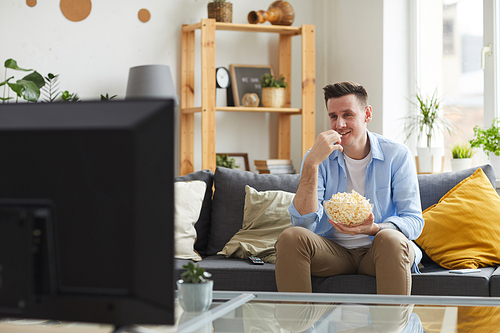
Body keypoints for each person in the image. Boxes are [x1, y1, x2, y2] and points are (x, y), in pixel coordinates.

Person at [275, 81, 424, 295]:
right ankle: (299, 326)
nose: (339, 124)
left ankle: (392, 327)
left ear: (367, 114)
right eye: (333, 116)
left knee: (390, 239)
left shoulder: (397, 155)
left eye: (348, 115)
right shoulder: (317, 156)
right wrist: (311, 164)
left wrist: (374, 229)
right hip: (334, 253)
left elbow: (414, 221)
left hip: (379, 249)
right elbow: (303, 223)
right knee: (291, 236)